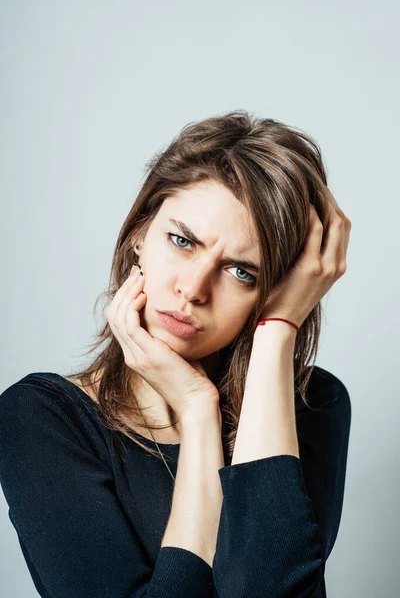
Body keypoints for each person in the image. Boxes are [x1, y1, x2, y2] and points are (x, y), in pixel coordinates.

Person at [0, 110, 352, 598]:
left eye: (241, 272)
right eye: (182, 241)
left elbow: (273, 591)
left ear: (275, 290)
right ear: (141, 233)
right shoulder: (42, 419)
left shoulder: (312, 406)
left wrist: (278, 329)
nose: (193, 288)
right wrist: (197, 409)